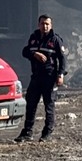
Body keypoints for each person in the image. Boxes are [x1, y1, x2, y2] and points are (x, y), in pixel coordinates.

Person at [15, 14, 66, 142]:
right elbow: (25, 51)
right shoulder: (34, 38)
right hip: (36, 77)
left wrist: (60, 75)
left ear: (51, 25)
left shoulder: (55, 40)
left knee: (49, 106)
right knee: (31, 104)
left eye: (47, 24)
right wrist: (34, 54)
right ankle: (27, 133)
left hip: (49, 77)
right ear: (39, 24)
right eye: (42, 23)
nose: (45, 26)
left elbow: (62, 59)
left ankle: (47, 133)